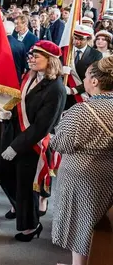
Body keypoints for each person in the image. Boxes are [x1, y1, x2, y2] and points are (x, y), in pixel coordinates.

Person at [0, 40, 66, 242]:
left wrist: (16, 146)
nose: (31, 59)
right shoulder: (29, 77)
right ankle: (21, 208)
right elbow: (22, 106)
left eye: (36, 56)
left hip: (34, 144)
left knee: (26, 186)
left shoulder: (56, 89)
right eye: (31, 55)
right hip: (17, 135)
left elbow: (42, 126)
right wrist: (8, 117)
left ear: (50, 60)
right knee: (3, 173)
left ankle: (31, 226)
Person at [51, 57, 113, 265]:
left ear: (95, 81)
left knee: (80, 227)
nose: (84, 80)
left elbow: (60, 144)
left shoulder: (80, 111)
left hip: (82, 178)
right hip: (109, 174)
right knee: (102, 228)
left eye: (86, 76)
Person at [64, 24, 103, 109]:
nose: (76, 41)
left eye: (81, 39)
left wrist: (73, 90)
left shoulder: (96, 55)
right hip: (64, 93)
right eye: (75, 38)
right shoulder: (65, 51)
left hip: (81, 95)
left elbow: (94, 77)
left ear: (88, 39)